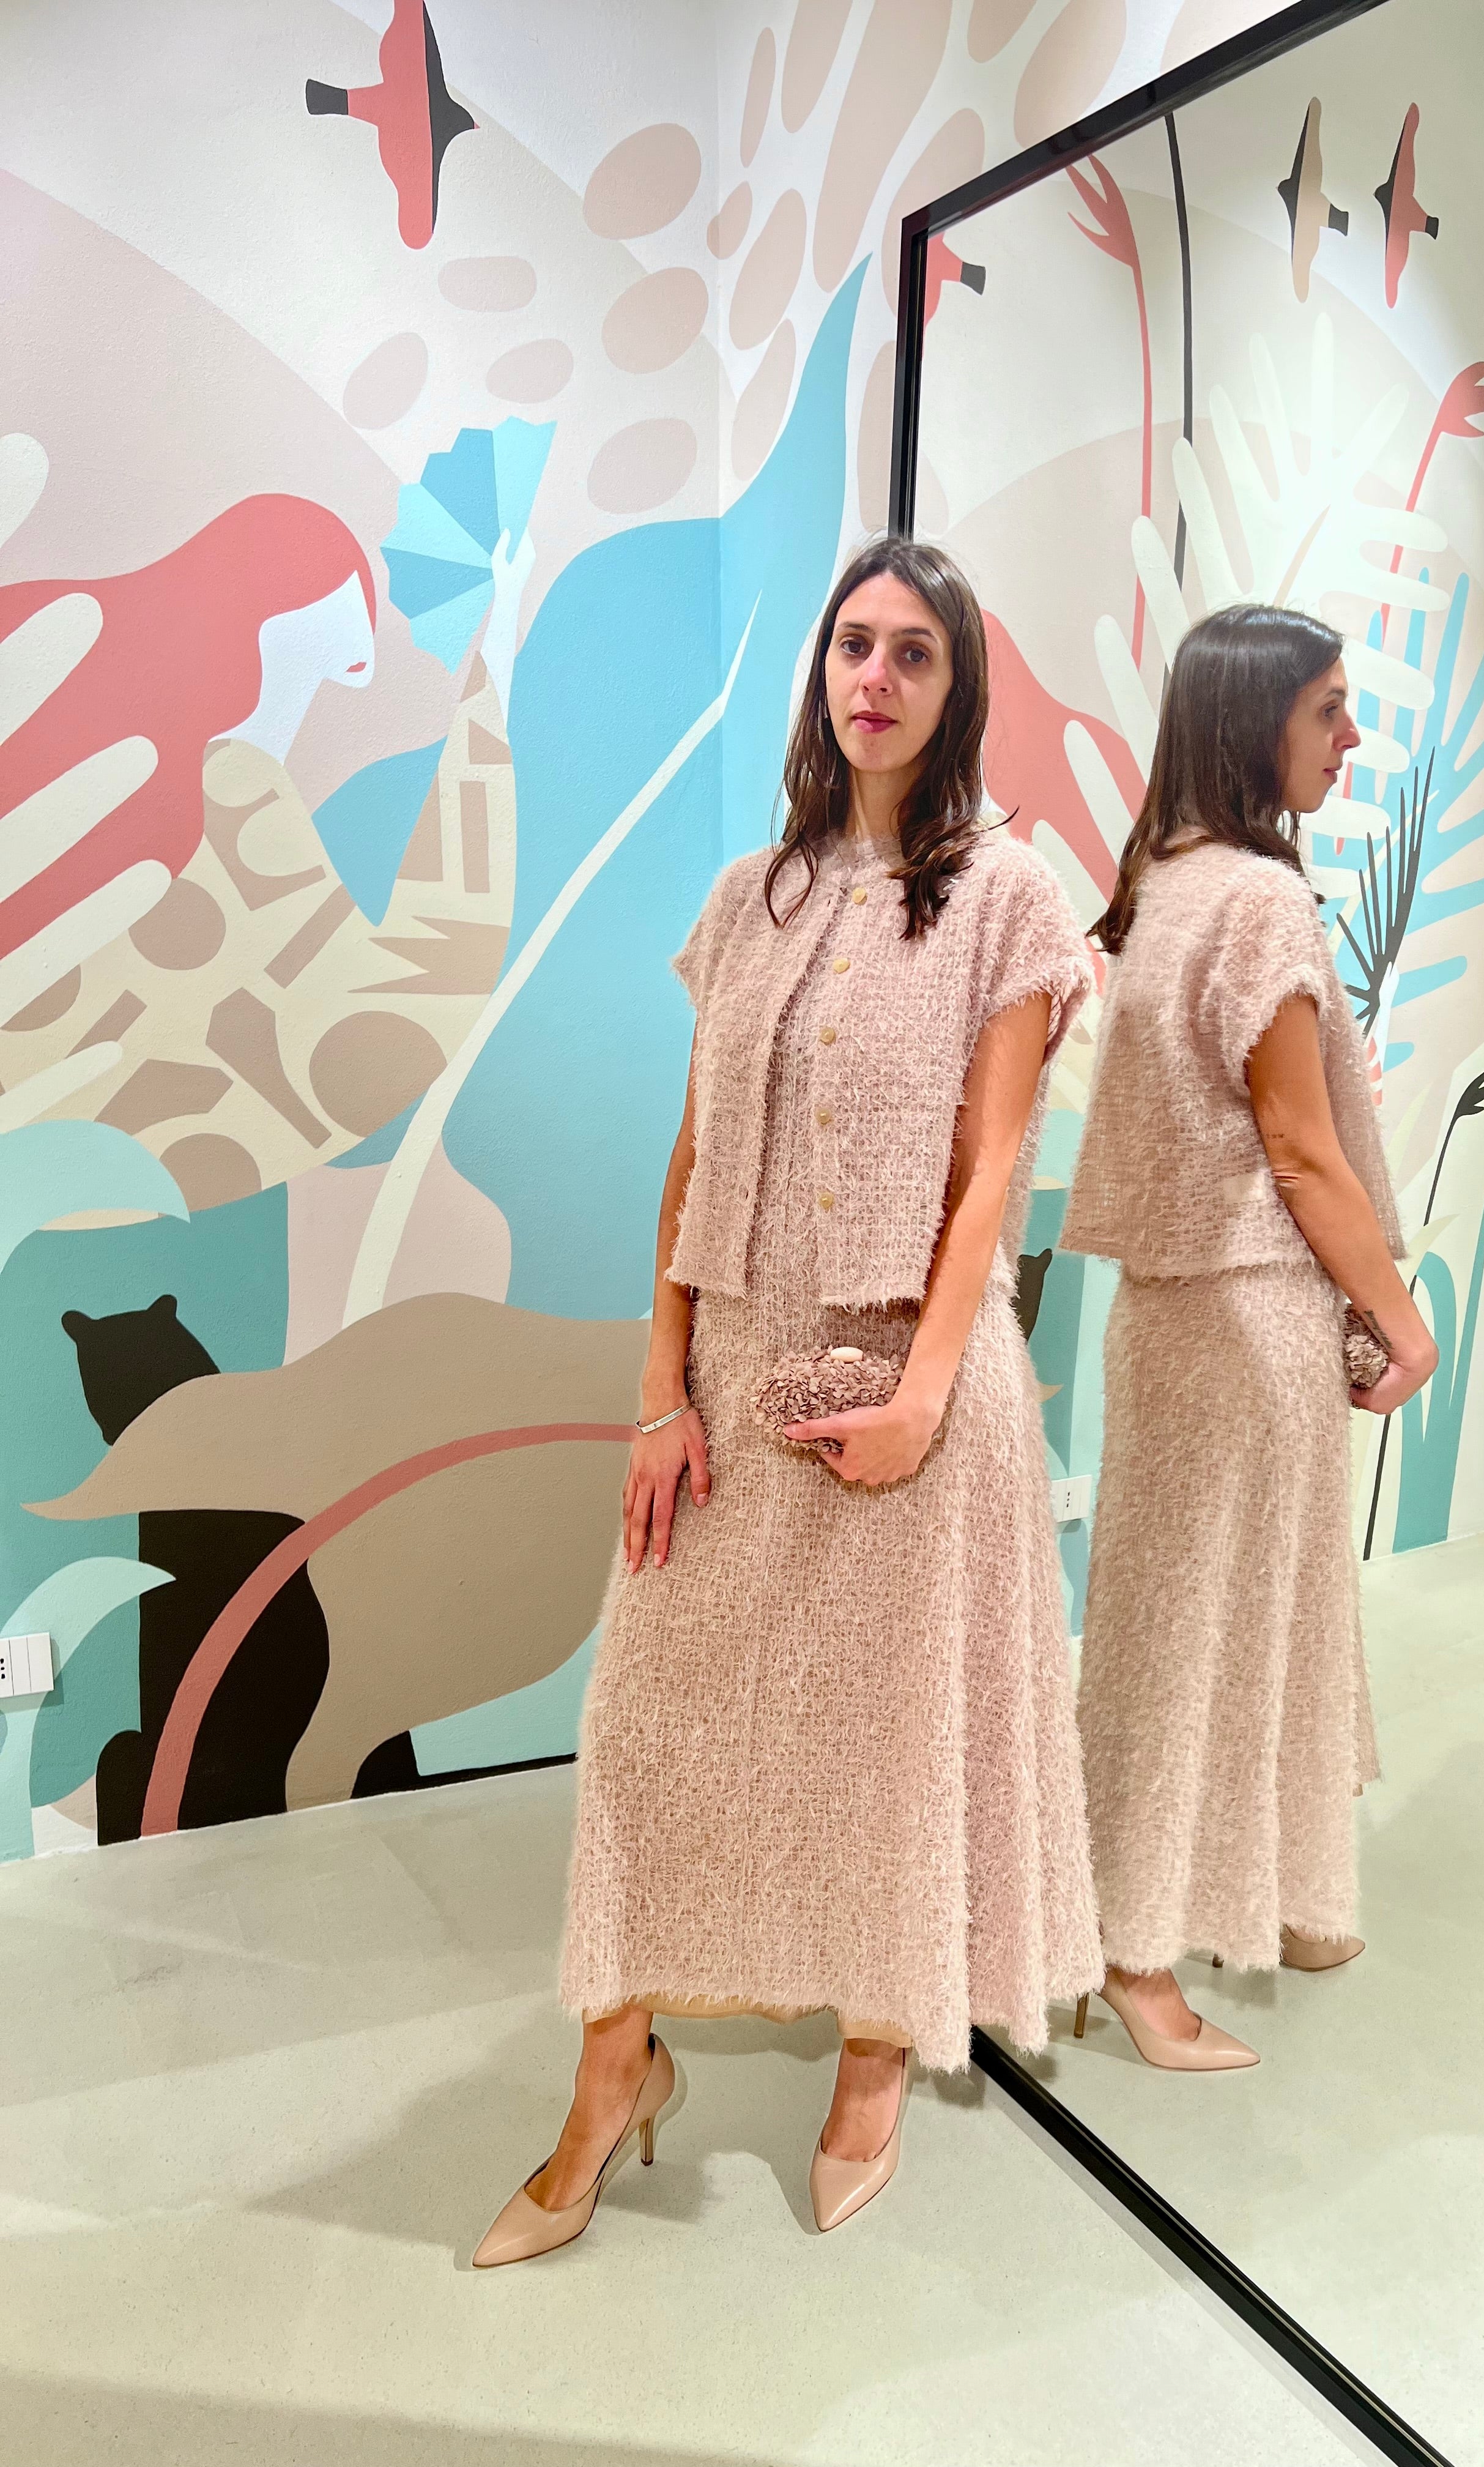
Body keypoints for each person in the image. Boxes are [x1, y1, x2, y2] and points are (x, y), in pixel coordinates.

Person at [474, 537, 1100, 2263]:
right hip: (736, 1377)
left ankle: (876, 2053)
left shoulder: (1010, 899)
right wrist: (660, 1389)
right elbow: (694, 1156)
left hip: (914, 1387)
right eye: (852, 645)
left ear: (958, 688)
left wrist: (923, 1400)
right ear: (821, 672)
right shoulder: (749, 896)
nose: (874, 677)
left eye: (914, 652)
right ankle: (616, 2069)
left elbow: (991, 1180)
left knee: (884, 1743)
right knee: (647, 1736)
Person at [1059, 603, 1436, 2072]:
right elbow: (1300, 1145)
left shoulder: (1162, 881)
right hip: (1253, 1309)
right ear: (1253, 718)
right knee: (1216, 1629)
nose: (1351, 735)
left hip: (1171, 1315)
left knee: (1194, 1618)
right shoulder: (1262, 899)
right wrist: (1398, 1320)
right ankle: (1134, 1952)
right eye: (1328, 708)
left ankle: (1259, 1893)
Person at [0, 493, 527, 1207]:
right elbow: (402, 1009)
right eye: (311, 672)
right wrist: (494, 663)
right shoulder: (229, 801)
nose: (296, 716)